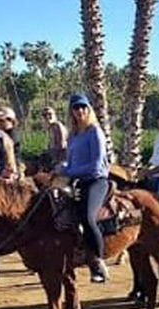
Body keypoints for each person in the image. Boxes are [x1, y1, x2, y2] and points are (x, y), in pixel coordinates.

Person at [56, 92, 110, 283]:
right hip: (77, 181)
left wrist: (69, 172)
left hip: (97, 181)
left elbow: (96, 166)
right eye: (76, 108)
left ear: (89, 110)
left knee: (88, 217)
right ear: (71, 112)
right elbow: (70, 163)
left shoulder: (95, 131)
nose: (79, 111)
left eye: (83, 107)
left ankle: (98, 262)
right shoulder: (72, 136)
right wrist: (62, 168)